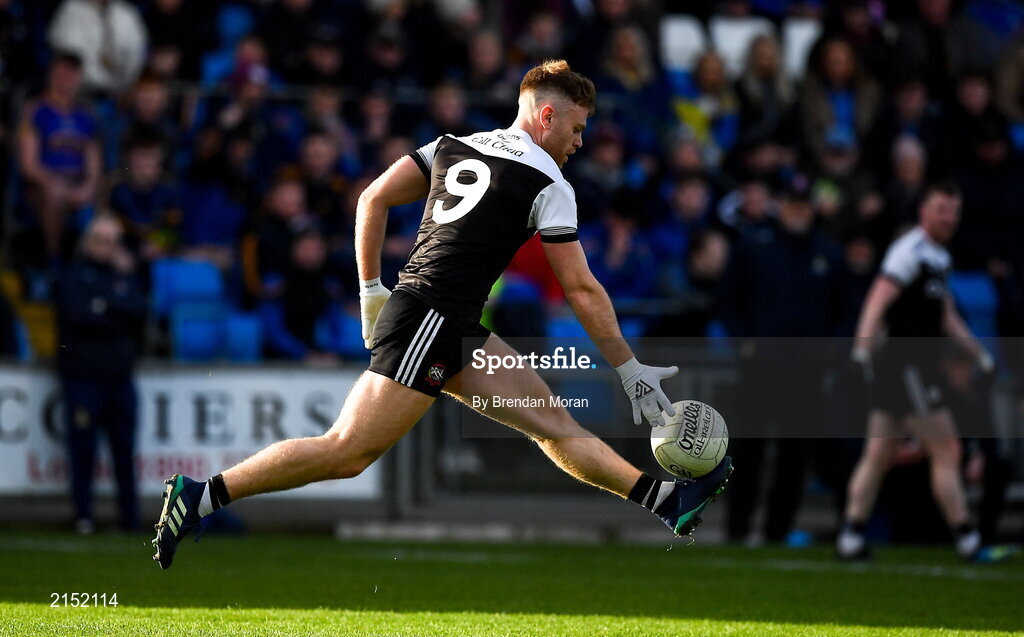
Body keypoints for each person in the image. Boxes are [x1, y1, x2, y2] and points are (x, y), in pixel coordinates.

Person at [152, 60, 734, 569]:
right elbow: (580, 288)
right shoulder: (551, 182)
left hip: (446, 322)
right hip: (431, 319)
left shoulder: (453, 144)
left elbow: (371, 199)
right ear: (548, 117)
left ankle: (667, 502)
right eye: (577, 128)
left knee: (554, 425)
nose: (580, 143)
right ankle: (200, 496)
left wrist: (370, 290)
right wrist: (629, 368)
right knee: (346, 451)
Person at [837, 182, 993, 561]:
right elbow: (877, 301)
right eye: (941, 209)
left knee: (878, 454)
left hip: (908, 367)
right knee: (947, 447)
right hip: (906, 366)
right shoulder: (909, 253)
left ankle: (851, 538)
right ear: (924, 211)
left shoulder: (939, 257)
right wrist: (861, 351)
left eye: (953, 210)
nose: (948, 218)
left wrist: (977, 354)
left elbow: (946, 315)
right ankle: (967, 539)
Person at [55, 215, 146, 533]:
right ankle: (83, 516)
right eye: (102, 240)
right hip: (83, 378)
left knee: (125, 451)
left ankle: (130, 519)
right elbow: (78, 316)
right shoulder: (73, 276)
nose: (108, 248)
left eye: (114, 241)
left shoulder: (124, 277)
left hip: (120, 379)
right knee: (83, 451)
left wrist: (104, 306)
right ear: (88, 240)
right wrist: (115, 310)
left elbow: (138, 310)